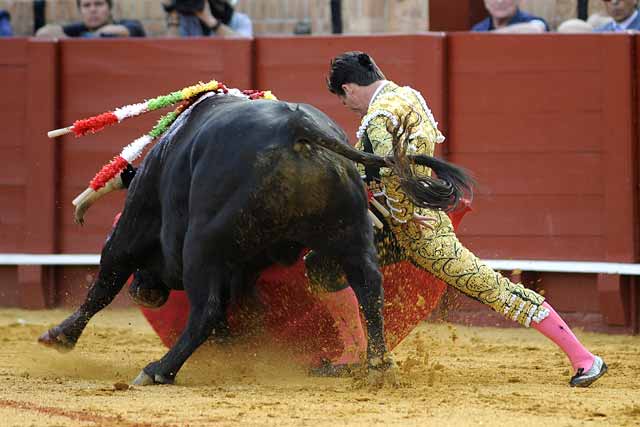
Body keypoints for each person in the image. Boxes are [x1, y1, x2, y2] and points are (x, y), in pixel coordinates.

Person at [307, 51, 608, 388]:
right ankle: (354, 351)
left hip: (416, 228)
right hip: (394, 222)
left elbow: (391, 171)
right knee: (322, 262)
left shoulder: (378, 117)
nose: (349, 108)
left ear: (348, 89)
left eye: (344, 100)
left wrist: (405, 215)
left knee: (491, 287)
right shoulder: (409, 96)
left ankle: (584, 358)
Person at [35, 0, 145, 38]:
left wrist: (94, 36)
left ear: (110, 8)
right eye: (86, 5)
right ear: (80, 11)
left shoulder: (129, 24)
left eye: (98, 4)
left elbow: (128, 30)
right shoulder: (78, 29)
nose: (92, 10)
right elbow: (42, 32)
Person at [163, 0, 252, 37]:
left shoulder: (241, 20)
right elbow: (171, 53)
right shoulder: (186, 21)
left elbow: (244, 45)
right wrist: (173, 13)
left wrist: (210, 20)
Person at [472, 0, 549, 33]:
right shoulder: (479, 29)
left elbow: (537, 29)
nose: (500, 1)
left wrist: (486, 37)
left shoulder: (532, 21)